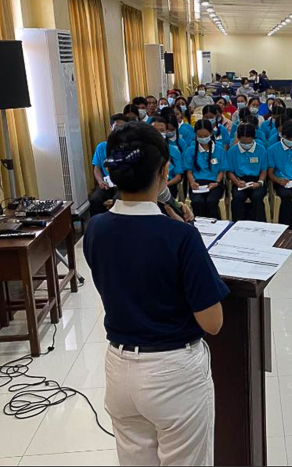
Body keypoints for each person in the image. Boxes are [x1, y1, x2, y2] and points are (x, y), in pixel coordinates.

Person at [84, 121, 227, 467]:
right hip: (172, 373)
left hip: (119, 370)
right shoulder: (180, 237)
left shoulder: (95, 228)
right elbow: (213, 322)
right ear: (165, 172)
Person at [183, 120, 228, 218]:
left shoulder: (219, 150)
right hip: (197, 184)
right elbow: (189, 171)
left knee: (211, 201)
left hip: (214, 183)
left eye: (205, 135)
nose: (203, 138)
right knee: (198, 201)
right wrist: (192, 183)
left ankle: (214, 225)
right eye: (200, 136)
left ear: (211, 133)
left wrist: (217, 182)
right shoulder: (190, 150)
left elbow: (221, 170)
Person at [226, 123, 268, 222]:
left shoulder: (261, 150)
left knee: (257, 197)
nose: (246, 145)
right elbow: (229, 172)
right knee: (237, 198)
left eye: (248, 142)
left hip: (257, 181)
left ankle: (259, 225)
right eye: (243, 142)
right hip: (240, 181)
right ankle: (238, 225)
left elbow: (264, 170)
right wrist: (237, 182)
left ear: (254, 138)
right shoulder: (232, 151)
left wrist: (260, 183)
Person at [89, 114, 127, 216]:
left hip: (124, 185)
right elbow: (96, 168)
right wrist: (100, 181)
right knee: (94, 199)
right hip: (107, 185)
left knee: (117, 200)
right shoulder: (102, 147)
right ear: (111, 127)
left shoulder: (131, 147)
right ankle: (98, 226)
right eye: (116, 126)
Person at [152, 116, 184, 199]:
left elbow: (178, 176)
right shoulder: (143, 150)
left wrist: (165, 185)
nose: (158, 133)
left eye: (162, 130)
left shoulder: (173, 150)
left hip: (168, 184)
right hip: (149, 186)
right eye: (155, 130)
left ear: (166, 131)